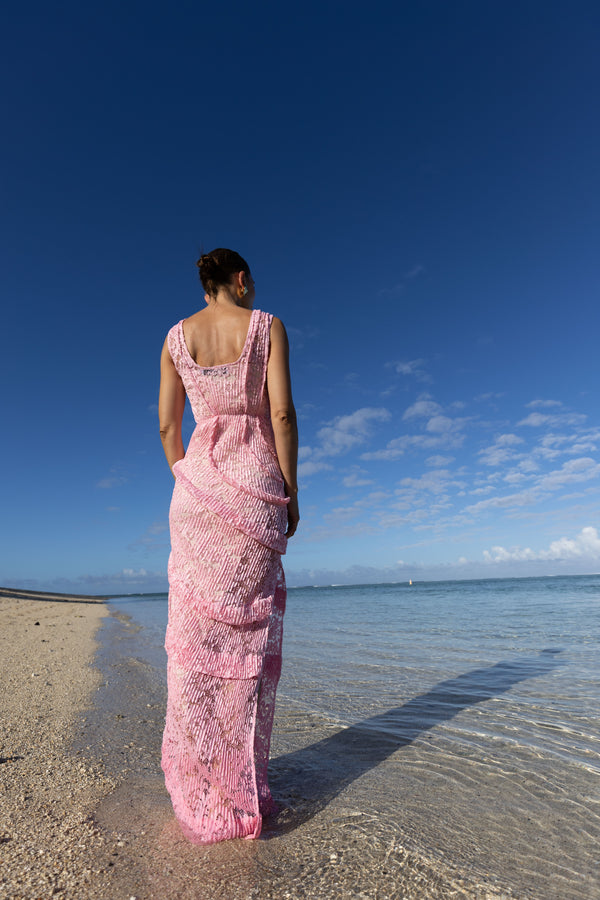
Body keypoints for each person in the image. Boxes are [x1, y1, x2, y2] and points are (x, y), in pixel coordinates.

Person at [158, 248, 299, 843]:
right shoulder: (266, 326)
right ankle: (242, 795)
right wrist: (290, 492)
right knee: (246, 645)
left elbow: (168, 426)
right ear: (240, 281)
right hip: (254, 486)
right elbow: (283, 414)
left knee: (197, 644)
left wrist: (189, 477)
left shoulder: (174, 337)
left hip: (197, 492)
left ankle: (202, 790)